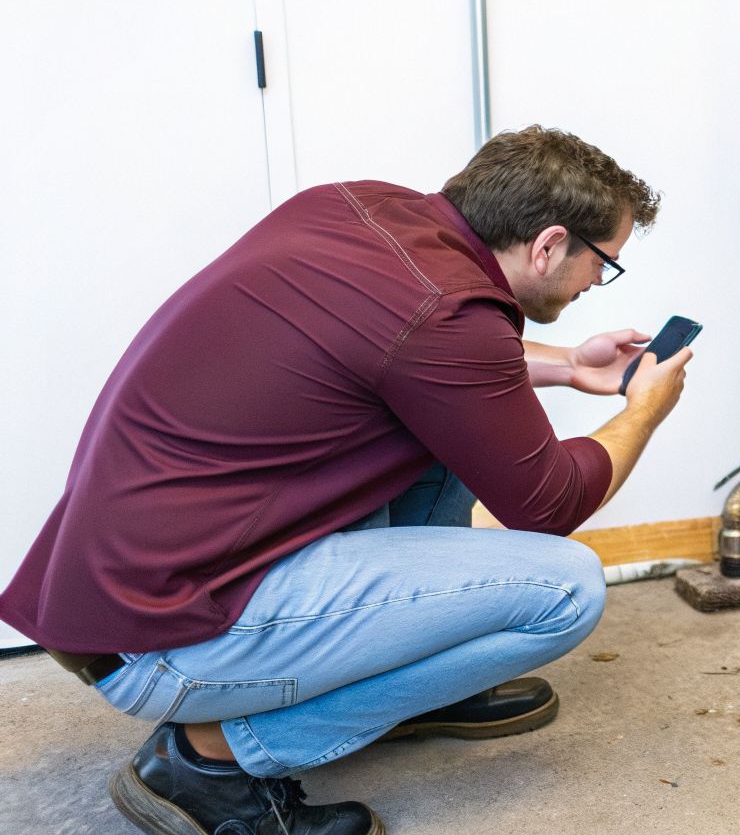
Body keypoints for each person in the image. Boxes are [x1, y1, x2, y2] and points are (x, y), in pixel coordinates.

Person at [0, 126, 689, 835]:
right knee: (566, 589)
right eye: (602, 264)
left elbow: (419, 351)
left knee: (453, 433)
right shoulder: (447, 320)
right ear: (548, 245)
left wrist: (569, 363)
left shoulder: (357, 209)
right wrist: (644, 411)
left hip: (123, 587)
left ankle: (409, 684)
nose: (593, 285)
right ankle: (209, 762)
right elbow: (550, 503)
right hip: (165, 640)